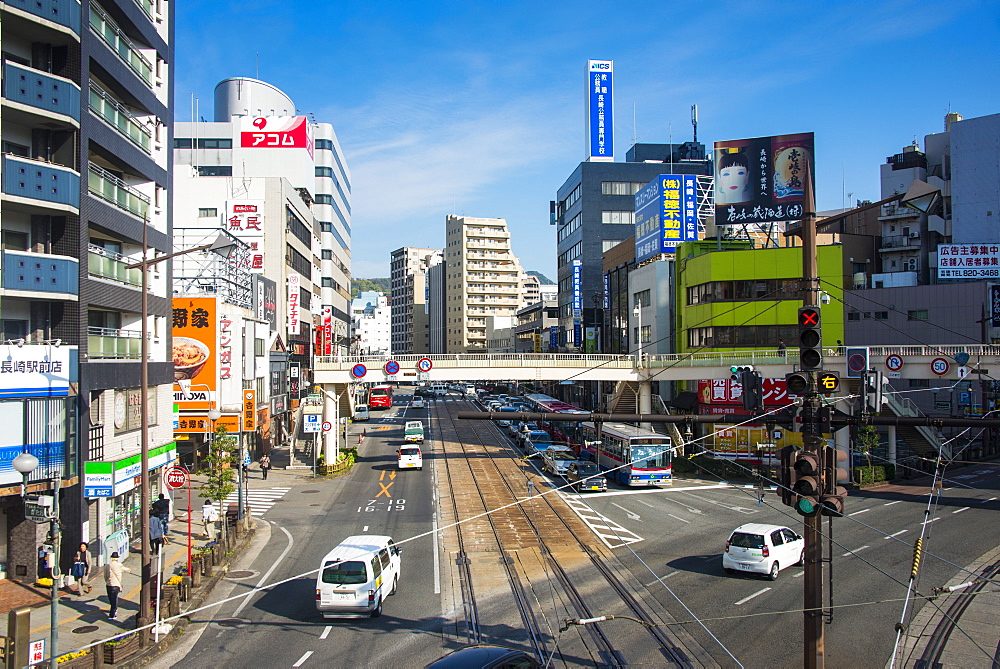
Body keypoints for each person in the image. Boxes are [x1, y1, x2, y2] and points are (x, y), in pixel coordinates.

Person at [104, 551, 131, 620]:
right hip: (116, 585)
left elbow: (105, 576)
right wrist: (130, 569)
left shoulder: (107, 565)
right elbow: (126, 570)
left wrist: (107, 581)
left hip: (109, 584)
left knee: (111, 599)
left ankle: (113, 612)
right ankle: (113, 614)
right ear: (117, 558)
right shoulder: (119, 565)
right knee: (114, 599)